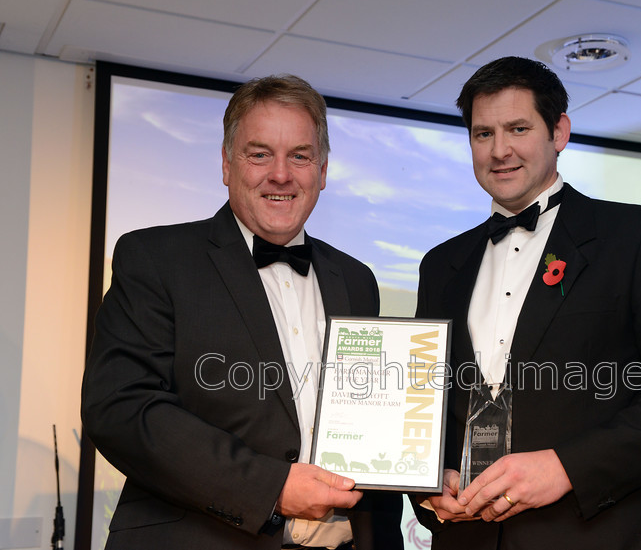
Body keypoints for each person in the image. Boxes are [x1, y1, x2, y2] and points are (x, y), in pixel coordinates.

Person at [413, 56, 641, 549]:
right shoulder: (440, 265)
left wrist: (566, 467)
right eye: (483, 134)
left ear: (558, 132)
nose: (499, 150)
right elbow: (426, 405)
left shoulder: (635, 237)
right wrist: (428, 482)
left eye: (518, 128)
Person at [81, 75, 403, 550]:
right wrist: (271, 487)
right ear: (227, 165)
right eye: (259, 154)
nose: (281, 174)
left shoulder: (356, 279)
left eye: (300, 155)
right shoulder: (155, 257)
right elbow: (122, 409)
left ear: (323, 170)